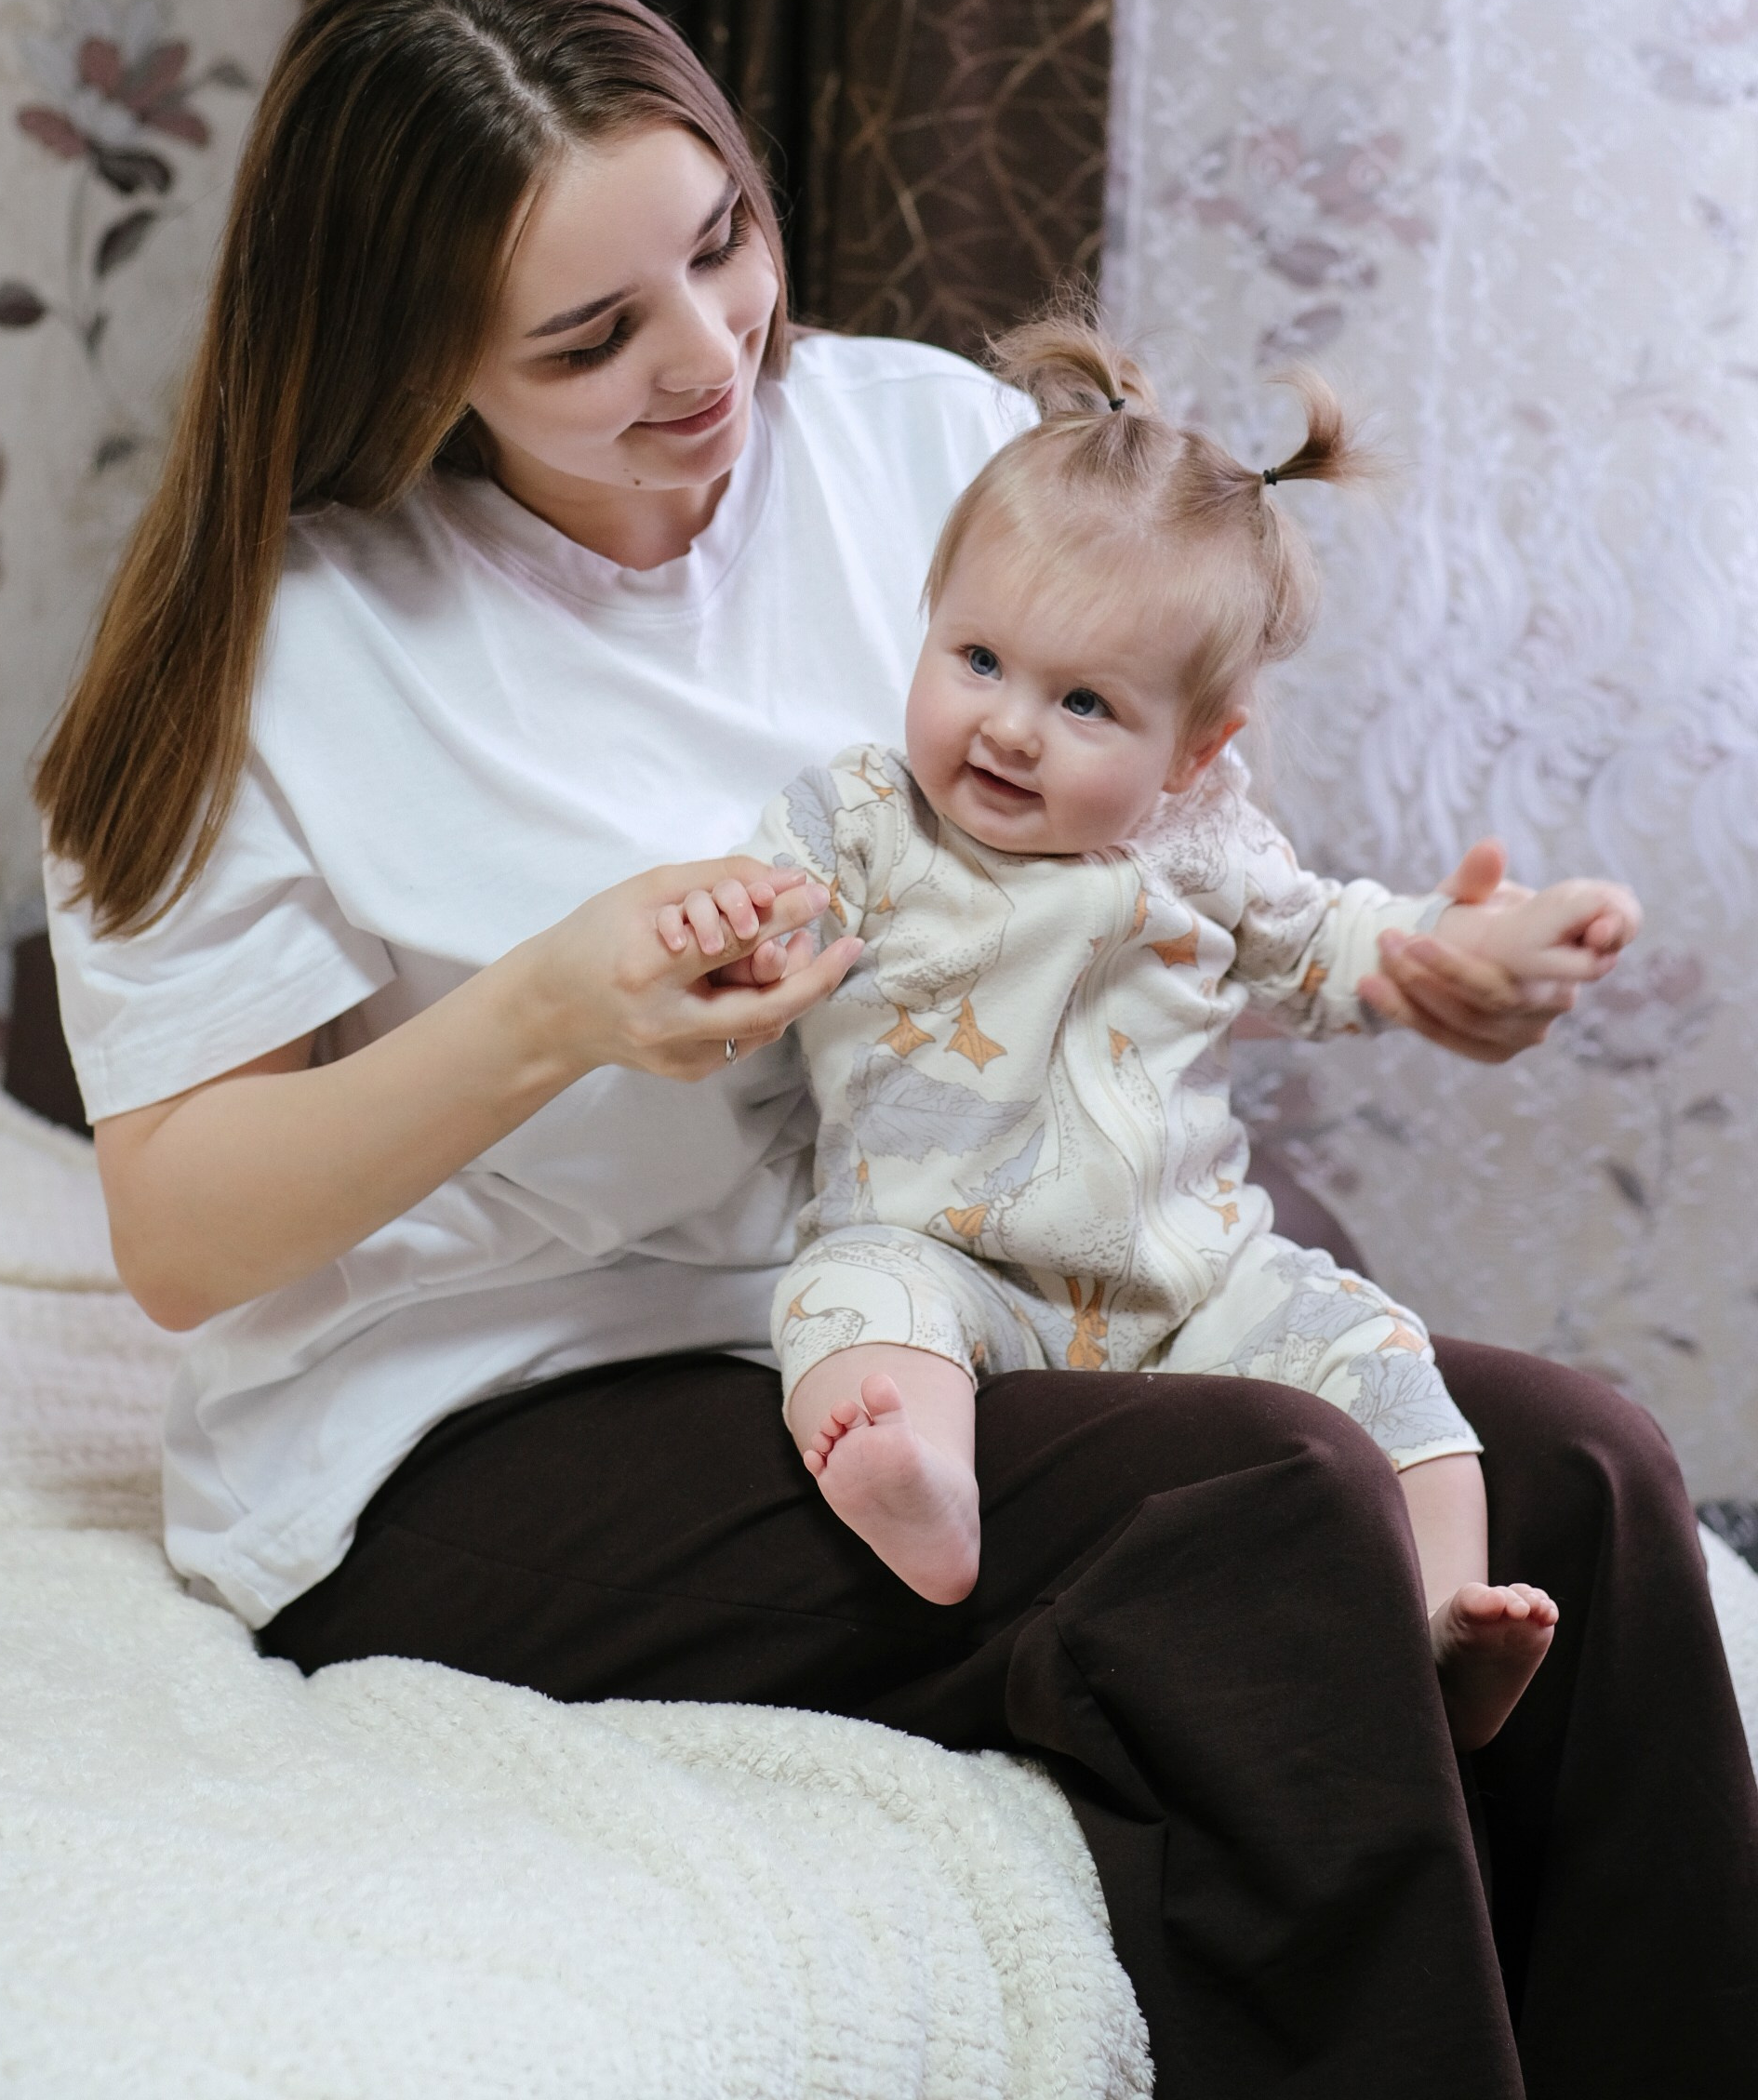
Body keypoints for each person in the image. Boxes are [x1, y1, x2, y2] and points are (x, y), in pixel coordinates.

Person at [35, 0, 1758, 2100]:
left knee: (1585, 1477)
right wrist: (552, 1012)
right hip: (483, 1428)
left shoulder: (925, 446)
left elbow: (1205, 896)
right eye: (590, 336)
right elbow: (184, 1237)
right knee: (1262, 1498)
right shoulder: (275, 657)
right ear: (411, 364)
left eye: (722, 244)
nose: (705, 357)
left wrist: (1429, 973)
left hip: (961, 1314)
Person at [662, 315, 1638, 1754]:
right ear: (924, 628)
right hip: (951, 1253)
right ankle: (920, 1480)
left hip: (1190, 1286)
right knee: (849, 1302)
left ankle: (1445, 1619)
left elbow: (1340, 941)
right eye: (979, 658)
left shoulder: (1205, 850)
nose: (1008, 729)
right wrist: (737, 938)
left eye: (1084, 704)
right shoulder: (866, 816)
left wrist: (1479, 941)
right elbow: (778, 926)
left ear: (1195, 751)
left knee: (1377, 1345)